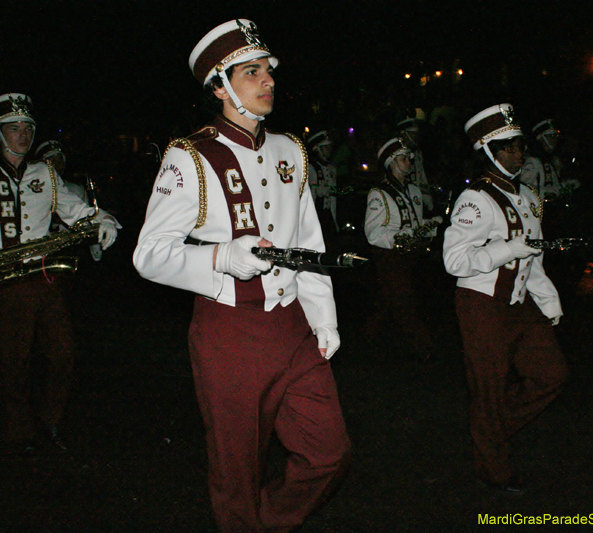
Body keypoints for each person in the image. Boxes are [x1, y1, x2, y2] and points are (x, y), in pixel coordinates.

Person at [132, 19, 350, 532]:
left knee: (329, 453)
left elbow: (309, 247)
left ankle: (266, 523)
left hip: (292, 326)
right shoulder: (190, 155)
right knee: (236, 473)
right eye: (251, 72)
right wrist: (220, 258)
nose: (268, 81)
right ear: (220, 86)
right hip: (229, 331)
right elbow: (148, 254)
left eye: (268, 71)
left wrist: (323, 319)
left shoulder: (289, 150)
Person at [0, 93, 120, 455]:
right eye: (14, 127)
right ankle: (19, 432)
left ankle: (51, 419)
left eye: (28, 127)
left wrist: (103, 219)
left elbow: (76, 209)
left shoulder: (46, 173)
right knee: (14, 361)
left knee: (62, 354)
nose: (23, 134)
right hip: (4, 282)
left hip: (46, 275)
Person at [442, 104, 568, 493]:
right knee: (489, 387)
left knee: (552, 374)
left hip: (520, 303)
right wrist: (506, 249)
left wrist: (549, 302)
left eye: (520, 144)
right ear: (488, 150)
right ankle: (493, 467)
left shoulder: (528, 195)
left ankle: (490, 430)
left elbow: (536, 256)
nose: (518, 152)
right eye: (508, 146)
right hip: (482, 305)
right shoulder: (474, 198)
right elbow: (454, 261)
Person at [363, 137, 441, 361]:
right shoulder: (379, 193)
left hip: (411, 254)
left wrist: (430, 226)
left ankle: (366, 338)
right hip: (390, 256)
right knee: (404, 302)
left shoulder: (414, 190)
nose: (409, 162)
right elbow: (374, 233)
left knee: (390, 300)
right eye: (404, 158)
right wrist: (400, 237)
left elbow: (415, 223)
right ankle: (424, 348)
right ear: (391, 162)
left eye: (409, 158)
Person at [36, 140, 103, 261]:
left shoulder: (75, 190)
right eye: (50, 160)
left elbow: (87, 221)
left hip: (70, 249)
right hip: (41, 251)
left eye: (59, 160)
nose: (56, 164)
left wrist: (95, 245)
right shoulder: (31, 191)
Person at [306, 129, 339, 241]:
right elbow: (312, 190)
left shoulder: (332, 168)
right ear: (317, 149)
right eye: (325, 147)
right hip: (316, 212)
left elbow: (333, 192)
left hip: (328, 213)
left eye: (329, 147)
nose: (329, 150)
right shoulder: (311, 167)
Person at [397, 115, 434, 213]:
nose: (416, 137)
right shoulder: (398, 153)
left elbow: (421, 175)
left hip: (418, 192)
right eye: (413, 134)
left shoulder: (418, 152)